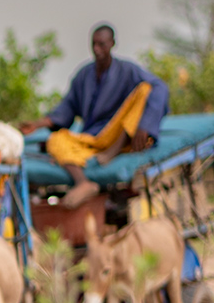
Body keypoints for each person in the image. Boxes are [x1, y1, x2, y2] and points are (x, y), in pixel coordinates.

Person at [21, 23, 169, 209]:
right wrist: (37, 125)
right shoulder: (84, 75)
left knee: (145, 89)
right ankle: (83, 183)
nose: (97, 50)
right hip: (93, 139)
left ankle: (114, 149)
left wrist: (145, 125)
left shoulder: (127, 70)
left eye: (102, 44)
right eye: (94, 45)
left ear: (112, 44)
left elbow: (160, 88)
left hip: (119, 135)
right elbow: (67, 109)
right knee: (55, 140)